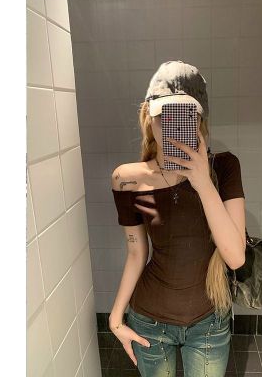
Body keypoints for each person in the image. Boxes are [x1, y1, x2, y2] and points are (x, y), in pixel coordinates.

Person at [108, 60, 246, 377]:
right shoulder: (128, 179)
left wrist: (202, 182)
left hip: (209, 321)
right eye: (165, 116)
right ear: (149, 117)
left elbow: (236, 257)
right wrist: (115, 318)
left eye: (186, 116)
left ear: (200, 119)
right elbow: (136, 253)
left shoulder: (225, 168)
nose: (174, 125)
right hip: (149, 320)